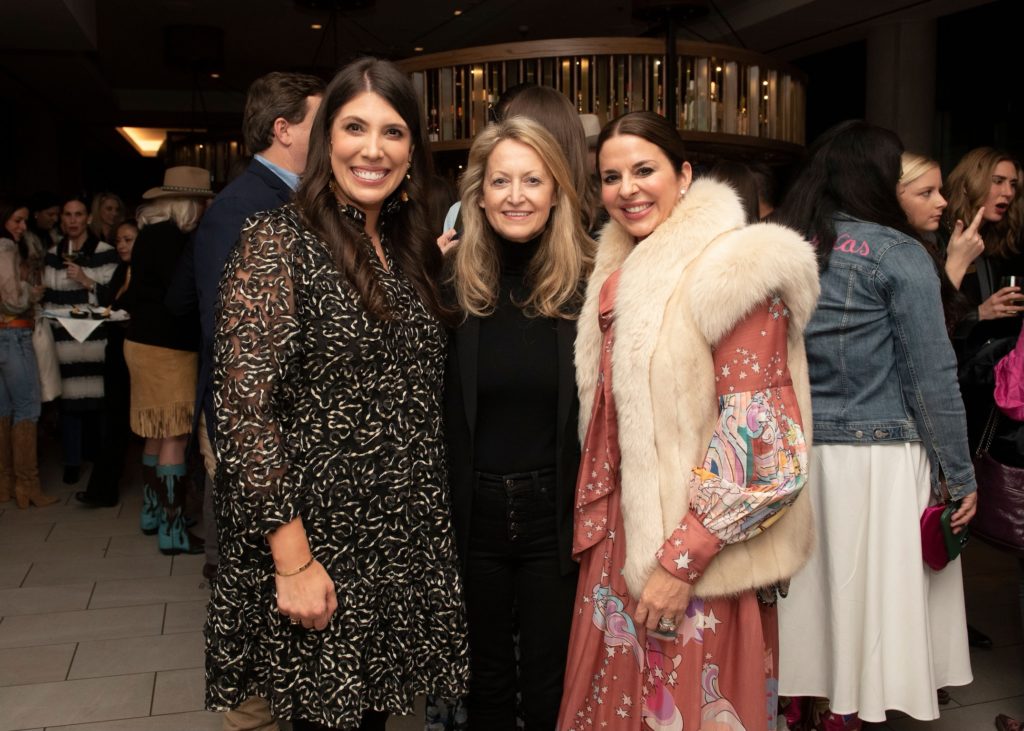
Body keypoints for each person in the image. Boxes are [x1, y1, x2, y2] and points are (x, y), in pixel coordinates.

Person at [204, 57, 469, 731]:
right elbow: (241, 413)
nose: (372, 149)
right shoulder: (277, 241)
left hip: (392, 544)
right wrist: (291, 560)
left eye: (393, 131)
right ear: (326, 141)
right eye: (354, 127)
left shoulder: (408, 249)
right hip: (315, 543)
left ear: (413, 149)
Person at [557, 111, 819, 730]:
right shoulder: (622, 274)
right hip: (625, 541)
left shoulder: (732, 270)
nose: (628, 189)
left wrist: (680, 562)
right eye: (611, 176)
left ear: (685, 174)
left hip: (700, 553)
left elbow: (764, 446)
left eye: (645, 170)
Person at [776, 121, 976, 728]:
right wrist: (959, 474)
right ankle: (849, 713)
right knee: (870, 606)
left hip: (801, 454)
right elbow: (931, 373)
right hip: (880, 456)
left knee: (812, 608)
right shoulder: (896, 252)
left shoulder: (786, 243)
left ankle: (805, 707)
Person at [444, 117, 593, 728]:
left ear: (556, 189)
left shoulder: (589, 284)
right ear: (478, 194)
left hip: (555, 517)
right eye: (500, 180)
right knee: (485, 686)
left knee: (551, 684)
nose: (516, 195)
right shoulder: (448, 284)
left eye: (532, 180)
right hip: (472, 513)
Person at [123, 167, 211, 552]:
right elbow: (181, 299)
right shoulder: (174, 239)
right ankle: (172, 530)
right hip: (169, 348)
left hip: (140, 343)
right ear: (190, 204)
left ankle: (152, 511)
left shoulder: (148, 235)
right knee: (174, 432)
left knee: (155, 431)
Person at [42, 195, 119, 485]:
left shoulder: (105, 252)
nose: (72, 220)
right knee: (69, 403)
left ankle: (98, 458)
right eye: (67, 215)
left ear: (87, 218)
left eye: (78, 214)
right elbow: (49, 296)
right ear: (62, 219)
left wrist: (86, 280)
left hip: (95, 336)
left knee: (97, 400)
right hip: (63, 336)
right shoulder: (52, 254)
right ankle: (72, 462)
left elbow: (112, 295)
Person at [75, 220, 137, 508]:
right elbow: (110, 307)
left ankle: (104, 489)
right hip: (114, 352)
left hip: (134, 355)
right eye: (119, 241)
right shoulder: (120, 271)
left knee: (120, 423)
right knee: (112, 420)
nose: (122, 245)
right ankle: (102, 490)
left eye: (128, 240)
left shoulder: (145, 273)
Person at [1, 197, 55, 508]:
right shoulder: (6, 248)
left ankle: (6, 484)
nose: (22, 227)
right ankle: (28, 487)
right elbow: (11, 298)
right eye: (17, 221)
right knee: (27, 409)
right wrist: (30, 293)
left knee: (4, 411)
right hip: (15, 333)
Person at [898, 152, 984, 289]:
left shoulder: (932, 243)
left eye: (939, 191)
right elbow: (929, 309)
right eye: (926, 193)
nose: (943, 202)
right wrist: (957, 262)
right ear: (895, 196)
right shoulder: (892, 253)